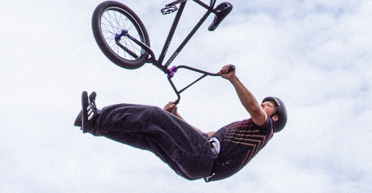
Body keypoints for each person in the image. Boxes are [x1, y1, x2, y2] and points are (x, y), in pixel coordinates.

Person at [75, 65, 285, 182]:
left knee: (153, 116)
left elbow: (253, 108)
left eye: (268, 105)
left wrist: (233, 79)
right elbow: (202, 135)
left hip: (204, 158)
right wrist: (177, 116)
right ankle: (94, 127)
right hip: (196, 166)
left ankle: (98, 117)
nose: (262, 104)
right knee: (150, 138)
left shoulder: (265, 129)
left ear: (274, 118)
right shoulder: (241, 131)